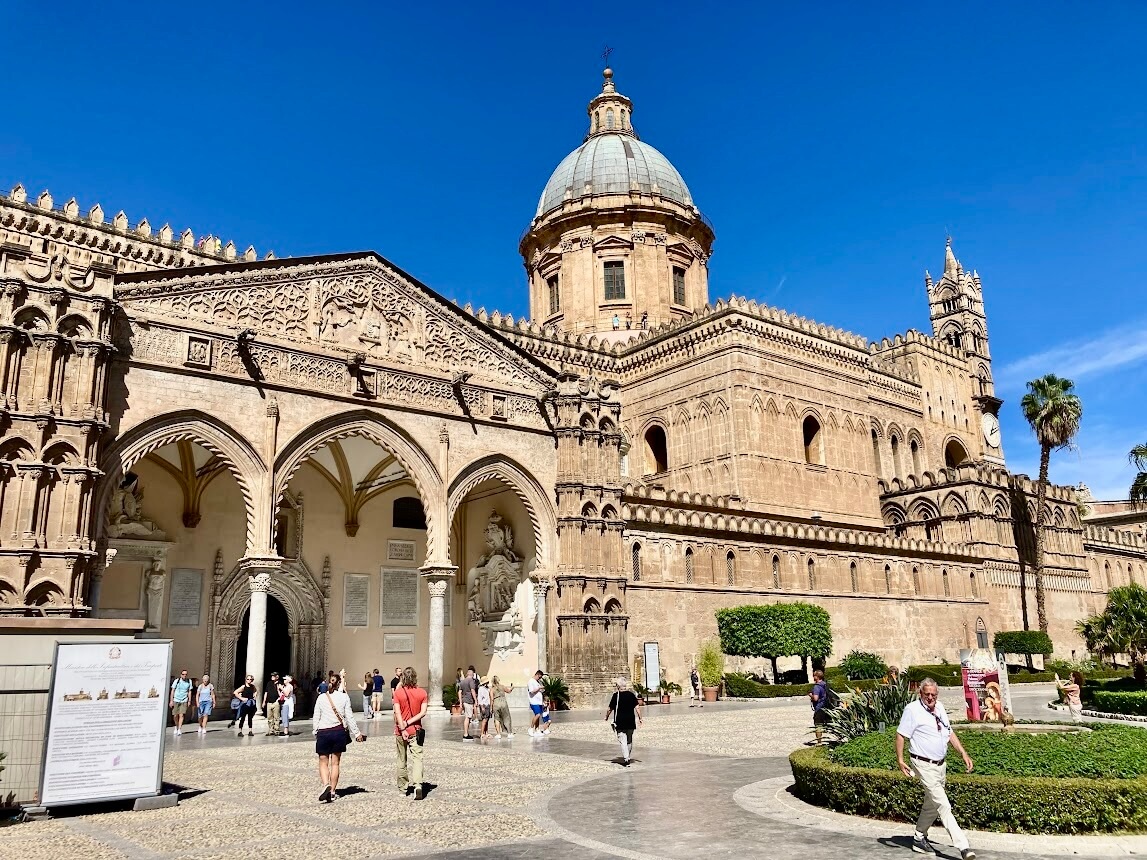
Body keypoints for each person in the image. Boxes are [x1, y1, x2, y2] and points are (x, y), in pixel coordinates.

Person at [895, 679, 976, 860]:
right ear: (920, 694)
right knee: (943, 805)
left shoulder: (939, 707)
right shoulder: (912, 710)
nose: (930, 697)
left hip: (940, 765)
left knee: (931, 804)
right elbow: (901, 735)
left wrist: (963, 753)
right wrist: (900, 760)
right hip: (923, 764)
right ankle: (963, 847)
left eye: (933, 694)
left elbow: (949, 732)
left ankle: (919, 837)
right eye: (927, 694)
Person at [312, 674, 365, 802]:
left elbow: (316, 716)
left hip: (323, 732)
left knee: (323, 762)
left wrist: (315, 731)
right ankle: (333, 792)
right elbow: (349, 717)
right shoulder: (344, 697)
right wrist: (357, 733)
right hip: (338, 732)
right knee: (335, 763)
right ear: (340, 683)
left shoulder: (321, 698)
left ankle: (326, 785)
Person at [393, 666, 428, 800]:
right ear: (415, 677)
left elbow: (397, 712)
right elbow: (423, 712)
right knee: (417, 758)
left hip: (400, 731)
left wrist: (402, 727)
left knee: (401, 759)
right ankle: (418, 785)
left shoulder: (398, 693)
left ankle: (403, 788)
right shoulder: (422, 693)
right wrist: (409, 723)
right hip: (416, 730)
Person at [605, 676, 643, 766]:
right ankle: (627, 756)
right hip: (630, 721)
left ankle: (626, 758)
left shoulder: (616, 696)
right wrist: (640, 718)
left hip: (620, 722)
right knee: (629, 740)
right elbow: (637, 707)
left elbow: (610, 708)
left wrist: (606, 716)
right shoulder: (631, 695)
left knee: (623, 740)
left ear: (618, 686)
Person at [170, 669, 193, 736]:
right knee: (175, 715)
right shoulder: (177, 681)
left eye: (186, 674)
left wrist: (189, 700)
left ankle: (179, 728)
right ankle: (176, 726)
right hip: (176, 699)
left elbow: (189, 691)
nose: (184, 676)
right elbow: (173, 690)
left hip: (184, 699)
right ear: (181, 675)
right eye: (183, 674)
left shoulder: (189, 681)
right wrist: (171, 700)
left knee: (181, 714)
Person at [809, 669, 830, 745]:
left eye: (814, 675)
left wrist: (811, 695)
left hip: (819, 708)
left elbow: (815, 698)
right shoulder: (825, 684)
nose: (813, 677)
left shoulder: (817, 687)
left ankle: (819, 742)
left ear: (817, 677)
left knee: (818, 725)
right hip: (827, 706)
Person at [460, 667, 478, 740]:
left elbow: (459, 692)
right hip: (469, 700)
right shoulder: (471, 681)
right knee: (468, 717)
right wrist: (476, 700)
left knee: (468, 716)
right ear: (472, 674)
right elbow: (473, 690)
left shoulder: (463, 681)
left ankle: (466, 733)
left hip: (464, 700)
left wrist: (461, 702)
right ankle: (466, 734)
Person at [527, 670, 545, 737]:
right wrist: (539, 688)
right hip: (534, 701)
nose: (540, 678)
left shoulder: (537, 682)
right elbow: (532, 691)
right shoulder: (531, 681)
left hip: (539, 701)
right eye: (539, 677)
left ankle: (537, 729)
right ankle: (531, 728)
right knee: (537, 715)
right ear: (537, 674)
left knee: (538, 715)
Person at [477, 675, 492, 739]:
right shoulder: (481, 689)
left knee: (487, 719)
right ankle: (482, 733)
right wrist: (482, 707)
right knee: (484, 720)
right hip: (484, 705)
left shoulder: (487, 688)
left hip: (487, 705)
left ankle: (486, 732)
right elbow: (480, 699)